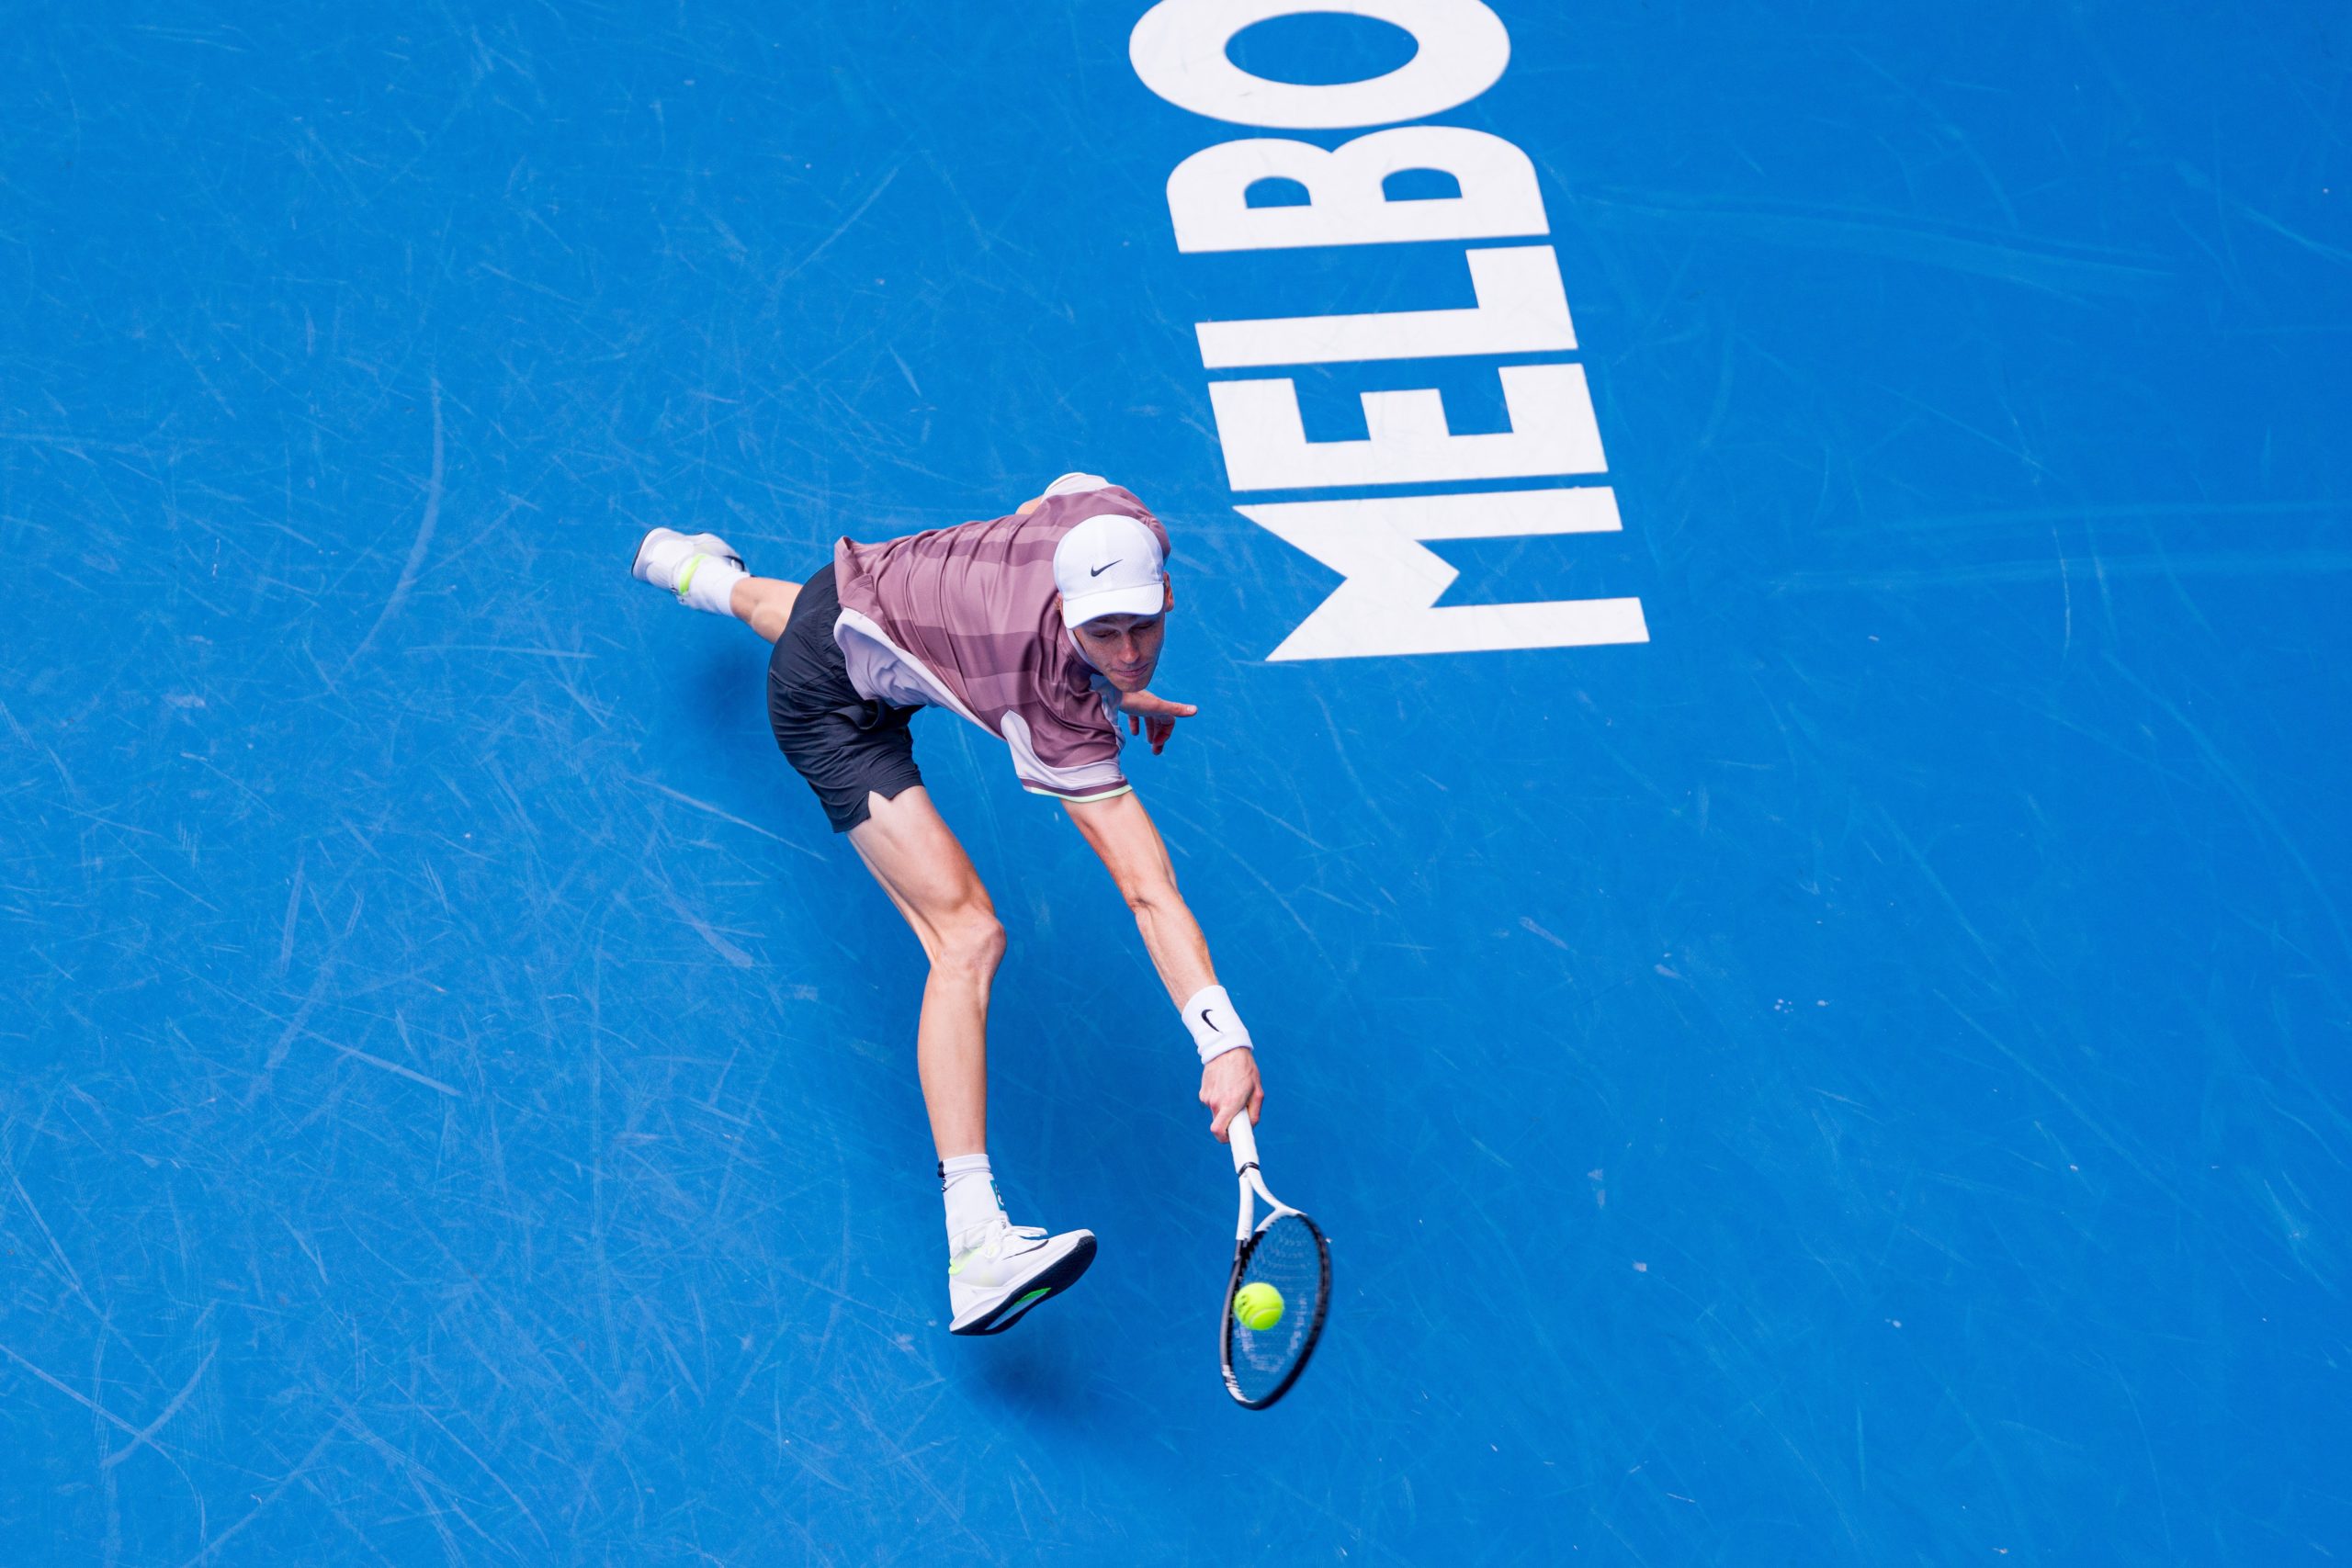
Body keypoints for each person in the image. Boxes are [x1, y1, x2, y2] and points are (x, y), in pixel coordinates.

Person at [630, 474, 1265, 1335]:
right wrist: (1221, 1038)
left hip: (868, 588)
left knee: (813, 617)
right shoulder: (1047, 704)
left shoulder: (1109, 516)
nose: (1125, 652)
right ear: (1066, 611)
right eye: (1101, 635)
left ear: (1166, 587)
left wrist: (1109, 682)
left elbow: (1052, 499)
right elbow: (1147, 888)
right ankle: (975, 1248)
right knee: (967, 937)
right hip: (830, 711)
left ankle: (689, 569)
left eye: (1141, 628)